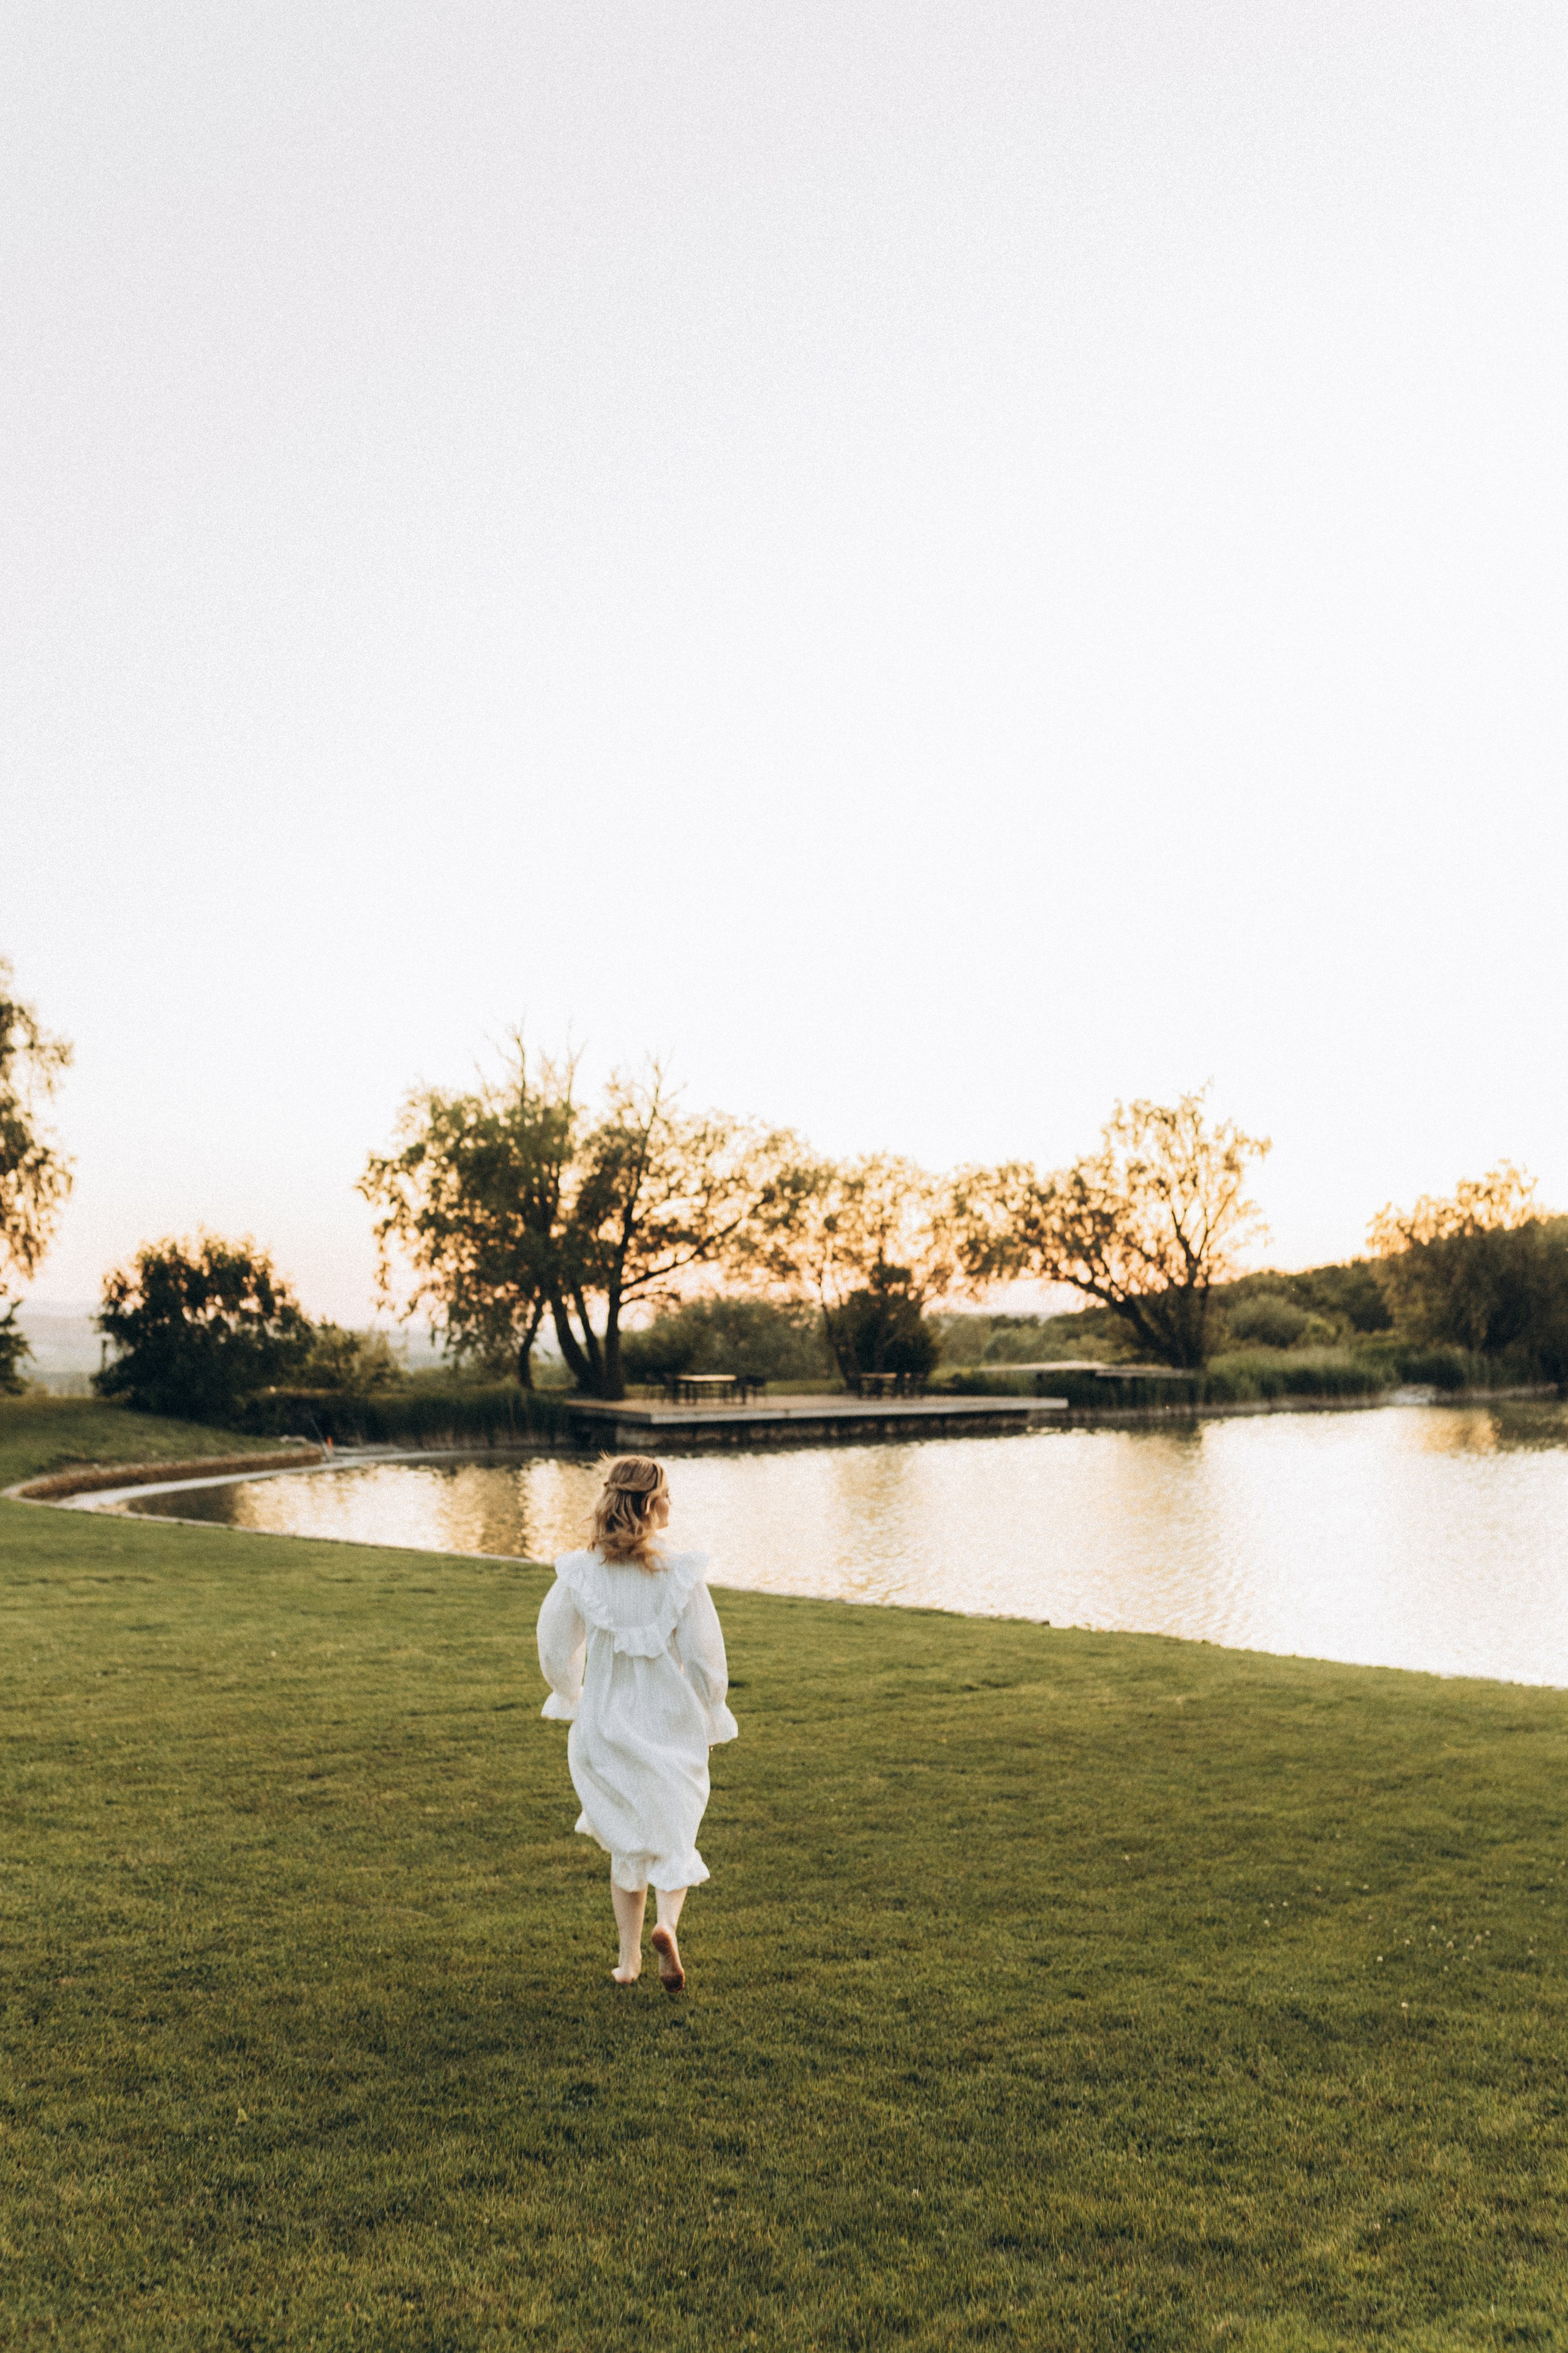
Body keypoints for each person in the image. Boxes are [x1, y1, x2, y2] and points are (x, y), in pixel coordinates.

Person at [537, 1454, 737, 1990]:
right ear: (651, 1504)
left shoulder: (581, 1572)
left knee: (627, 1838)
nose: (673, 1503)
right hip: (669, 1718)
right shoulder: (680, 1571)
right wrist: (712, 1708)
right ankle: (667, 1925)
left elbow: (555, 1644)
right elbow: (703, 1654)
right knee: (676, 1827)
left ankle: (629, 1962)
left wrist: (569, 1692)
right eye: (667, 1493)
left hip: (605, 1718)